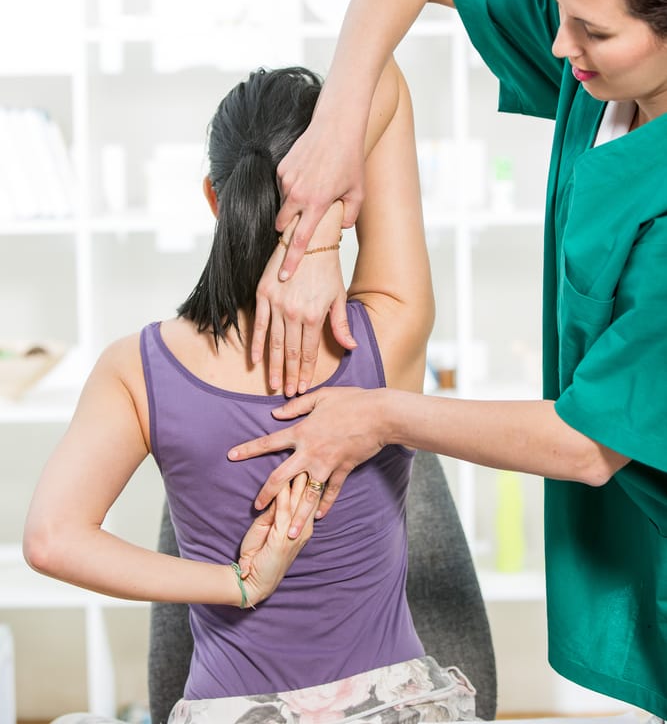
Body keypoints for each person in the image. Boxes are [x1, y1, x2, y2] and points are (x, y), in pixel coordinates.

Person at [229, 0, 667, 718]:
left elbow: (585, 446)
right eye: (556, 6)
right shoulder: (604, 56)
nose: (555, 45)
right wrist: (326, 173)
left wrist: (379, 414)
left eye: (589, 31)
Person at [23, 62, 480, 721]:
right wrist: (316, 230)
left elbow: (52, 539)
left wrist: (240, 583)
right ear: (349, 197)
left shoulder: (136, 367)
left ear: (214, 197)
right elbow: (381, 75)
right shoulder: (388, 329)